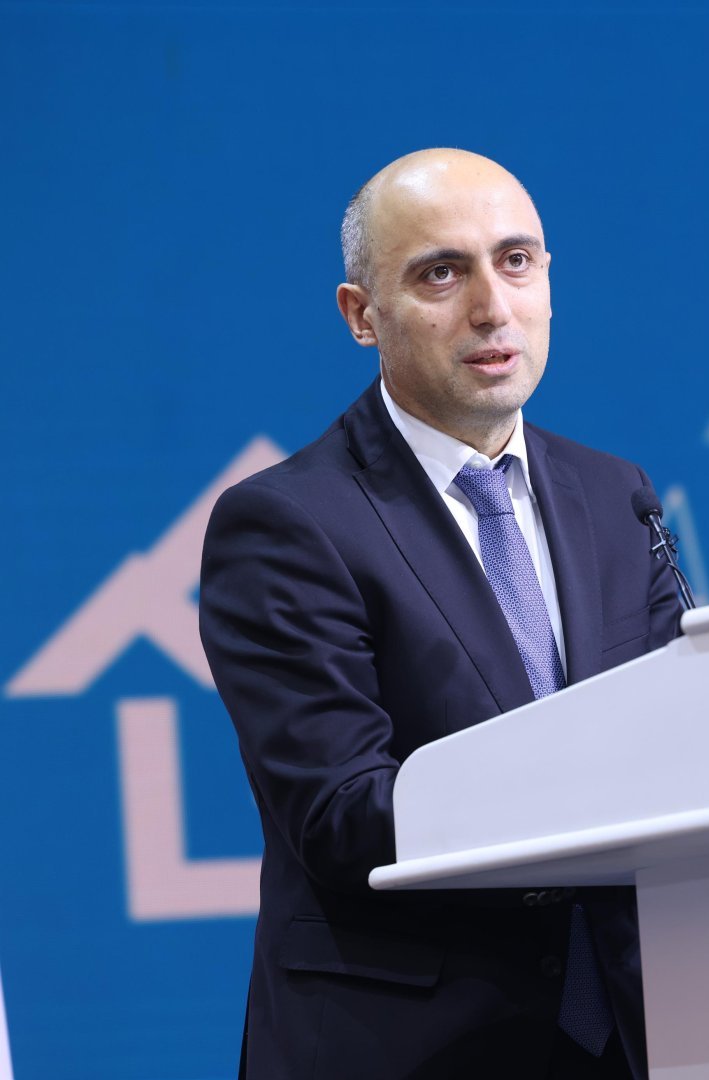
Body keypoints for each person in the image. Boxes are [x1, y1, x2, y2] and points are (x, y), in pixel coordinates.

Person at [199, 148, 682, 1079]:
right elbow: (344, 817)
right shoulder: (289, 523)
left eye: (516, 261)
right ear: (361, 315)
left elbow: (681, 739)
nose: (492, 308)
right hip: (409, 1047)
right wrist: (594, 789)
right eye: (440, 273)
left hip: (633, 1037)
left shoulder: (615, 495)